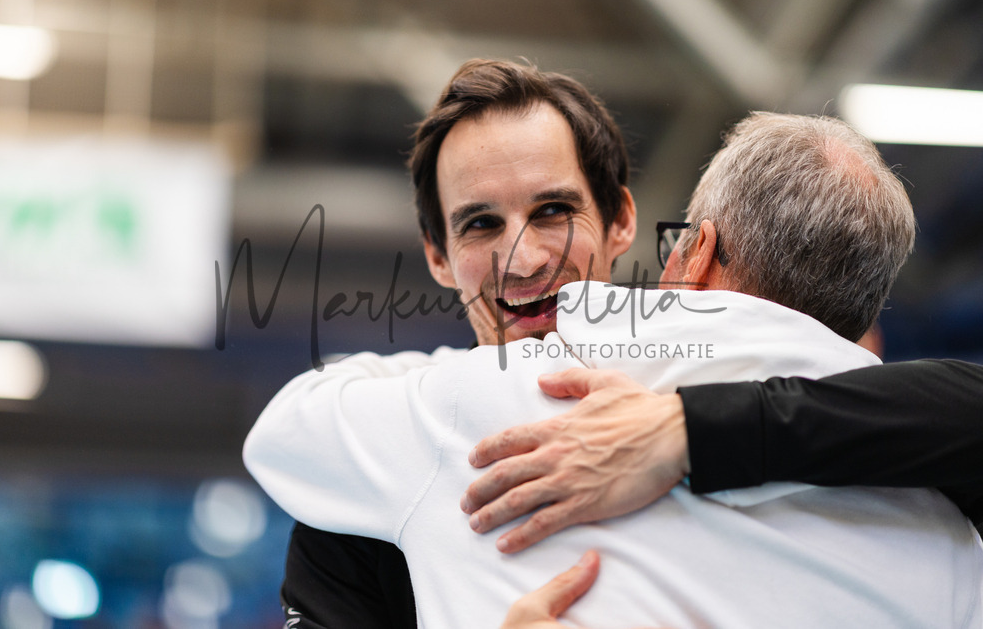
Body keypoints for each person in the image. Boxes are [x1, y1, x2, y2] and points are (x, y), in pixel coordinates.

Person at [245, 71, 983, 626]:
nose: (524, 259)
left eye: (554, 210)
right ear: (437, 257)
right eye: (479, 225)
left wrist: (688, 429)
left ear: (629, 223)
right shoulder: (374, 487)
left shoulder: (896, 438)